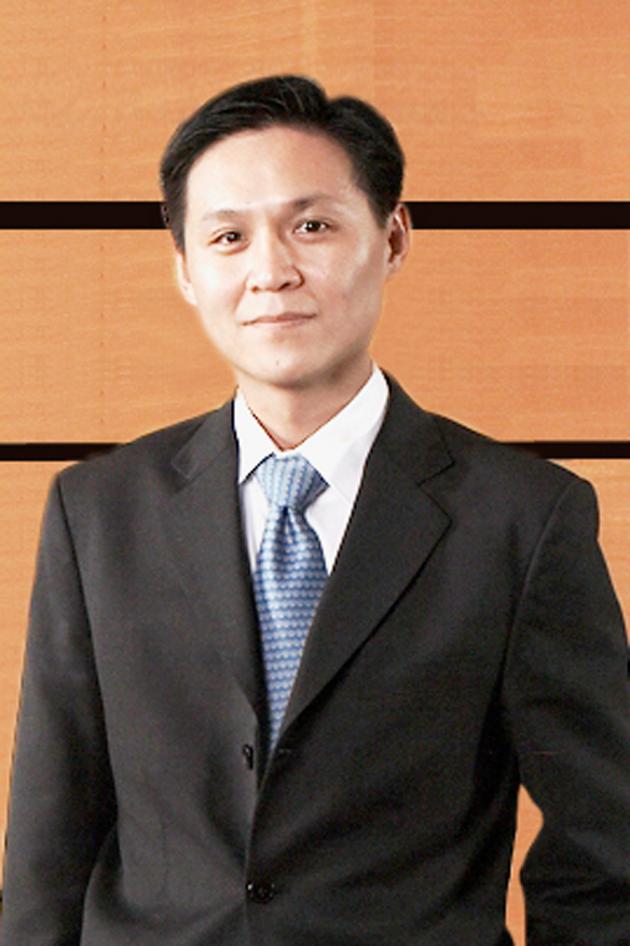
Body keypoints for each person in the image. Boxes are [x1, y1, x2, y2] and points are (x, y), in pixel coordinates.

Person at [2, 74, 629, 946]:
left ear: (393, 237)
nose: (272, 272)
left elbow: (607, 846)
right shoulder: (98, 512)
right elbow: (49, 836)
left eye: (312, 226)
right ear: (185, 269)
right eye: (228, 237)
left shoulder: (524, 519)